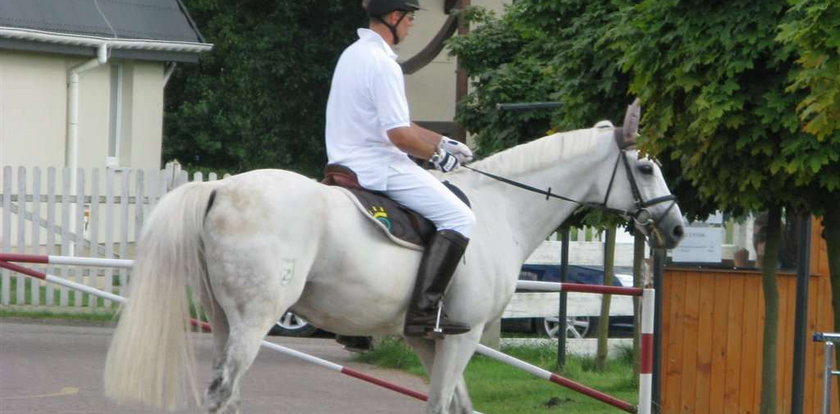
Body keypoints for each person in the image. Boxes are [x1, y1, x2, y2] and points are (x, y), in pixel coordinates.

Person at [325, 0, 476, 337]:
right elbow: (399, 135)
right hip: (377, 165)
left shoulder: (353, 54)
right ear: (393, 18)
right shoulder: (383, 63)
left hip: (343, 159)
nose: (410, 25)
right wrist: (437, 158)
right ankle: (425, 312)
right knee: (460, 217)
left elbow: (401, 122)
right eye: (409, 18)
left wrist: (441, 142)